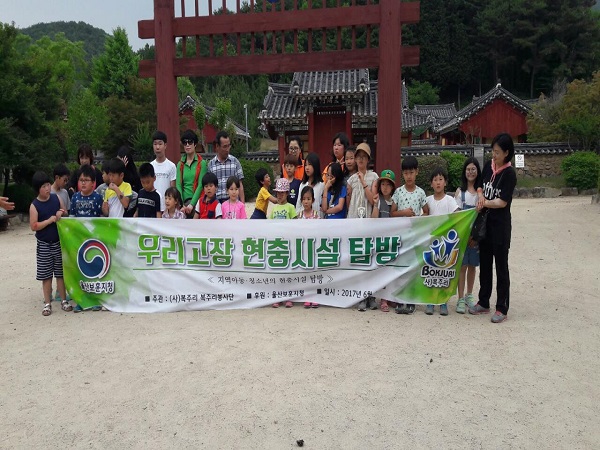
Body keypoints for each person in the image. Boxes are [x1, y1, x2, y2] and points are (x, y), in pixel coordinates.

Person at [469, 133, 517, 324]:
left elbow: (503, 201)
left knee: (501, 266)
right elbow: (480, 185)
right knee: (485, 264)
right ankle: (483, 301)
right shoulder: (490, 167)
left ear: (507, 153)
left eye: (497, 152)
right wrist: (480, 195)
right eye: (492, 151)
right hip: (485, 225)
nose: (494, 155)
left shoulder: (509, 174)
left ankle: (502, 307)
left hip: (500, 226)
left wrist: (486, 202)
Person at [29, 171, 72, 316]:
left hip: (58, 242)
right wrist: (49, 221)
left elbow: (64, 210)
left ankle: (64, 300)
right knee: (46, 275)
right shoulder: (34, 205)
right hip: (44, 244)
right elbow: (34, 225)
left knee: (60, 273)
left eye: (48, 185)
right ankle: (47, 303)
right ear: (37, 189)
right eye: (43, 186)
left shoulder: (56, 198)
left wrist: (60, 212)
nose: (47, 188)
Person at [391, 155, 429, 314]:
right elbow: (392, 213)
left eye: (411, 172)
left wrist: (418, 219)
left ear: (417, 172)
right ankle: (400, 300)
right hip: (401, 236)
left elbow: (427, 212)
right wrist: (404, 213)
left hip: (415, 236)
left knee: (413, 268)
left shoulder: (421, 193)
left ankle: (411, 299)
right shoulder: (398, 192)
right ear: (402, 174)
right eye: (406, 173)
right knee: (401, 268)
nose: (409, 176)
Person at [424, 167, 459, 316]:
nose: (438, 183)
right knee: (431, 272)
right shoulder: (427, 200)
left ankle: (443, 301)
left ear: (445, 183)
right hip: (432, 242)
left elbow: (458, 216)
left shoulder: (450, 200)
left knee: (444, 272)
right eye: (435, 180)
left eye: (440, 180)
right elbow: (423, 216)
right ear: (431, 184)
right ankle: (431, 301)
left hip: (446, 243)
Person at [454, 157, 482, 314]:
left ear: (477, 171)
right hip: (463, 235)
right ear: (464, 172)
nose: (470, 172)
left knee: (472, 266)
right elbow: (457, 215)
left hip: (476, 236)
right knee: (462, 266)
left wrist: (475, 236)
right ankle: (460, 298)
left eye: (473, 169)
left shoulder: (481, 193)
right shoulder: (460, 193)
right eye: (468, 169)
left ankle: (470, 294)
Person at [371, 169, 398, 313]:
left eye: (388, 184)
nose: (385, 187)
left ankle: (388, 297)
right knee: (380, 270)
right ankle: (381, 298)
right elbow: (374, 219)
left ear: (392, 187)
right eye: (383, 184)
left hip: (391, 241)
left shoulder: (394, 202)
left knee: (390, 270)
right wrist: (375, 205)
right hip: (379, 241)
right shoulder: (378, 200)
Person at [176, 129, 207, 218]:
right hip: (183, 203)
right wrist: (182, 205)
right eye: (185, 143)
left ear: (195, 144)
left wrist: (192, 204)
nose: (188, 145)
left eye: (190, 142)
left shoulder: (202, 163)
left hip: (197, 202)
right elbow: (178, 185)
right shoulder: (180, 164)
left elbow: (201, 185)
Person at [208, 130, 245, 203]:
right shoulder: (211, 164)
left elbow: (240, 185)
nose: (227, 149)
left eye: (229, 146)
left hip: (233, 203)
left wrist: (242, 204)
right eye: (225, 147)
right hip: (217, 204)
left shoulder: (235, 162)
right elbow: (209, 187)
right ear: (217, 146)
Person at [346, 143, 378, 219]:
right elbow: (348, 202)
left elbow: (373, 201)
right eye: (358, 156)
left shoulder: (374, 177)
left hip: (368, 217)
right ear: (355, 159)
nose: (361, 159)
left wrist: (363, 182)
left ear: (368, 159)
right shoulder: (351, 180)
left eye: (364, 156)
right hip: (353, 217)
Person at [150, 130, 176, 213]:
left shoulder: (171, 166)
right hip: (153, 208)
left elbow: (172, 189)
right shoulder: (151, 166)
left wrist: (169, 209)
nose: (157, 147)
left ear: (165, 145)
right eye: (155, 144)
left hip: (167, 209)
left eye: (160, 144)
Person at [296, 152, 324, 218]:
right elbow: (298, 205)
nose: (307, 168)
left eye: (310, 165)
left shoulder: (321, 185)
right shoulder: (302, 185)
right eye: (305, 165)